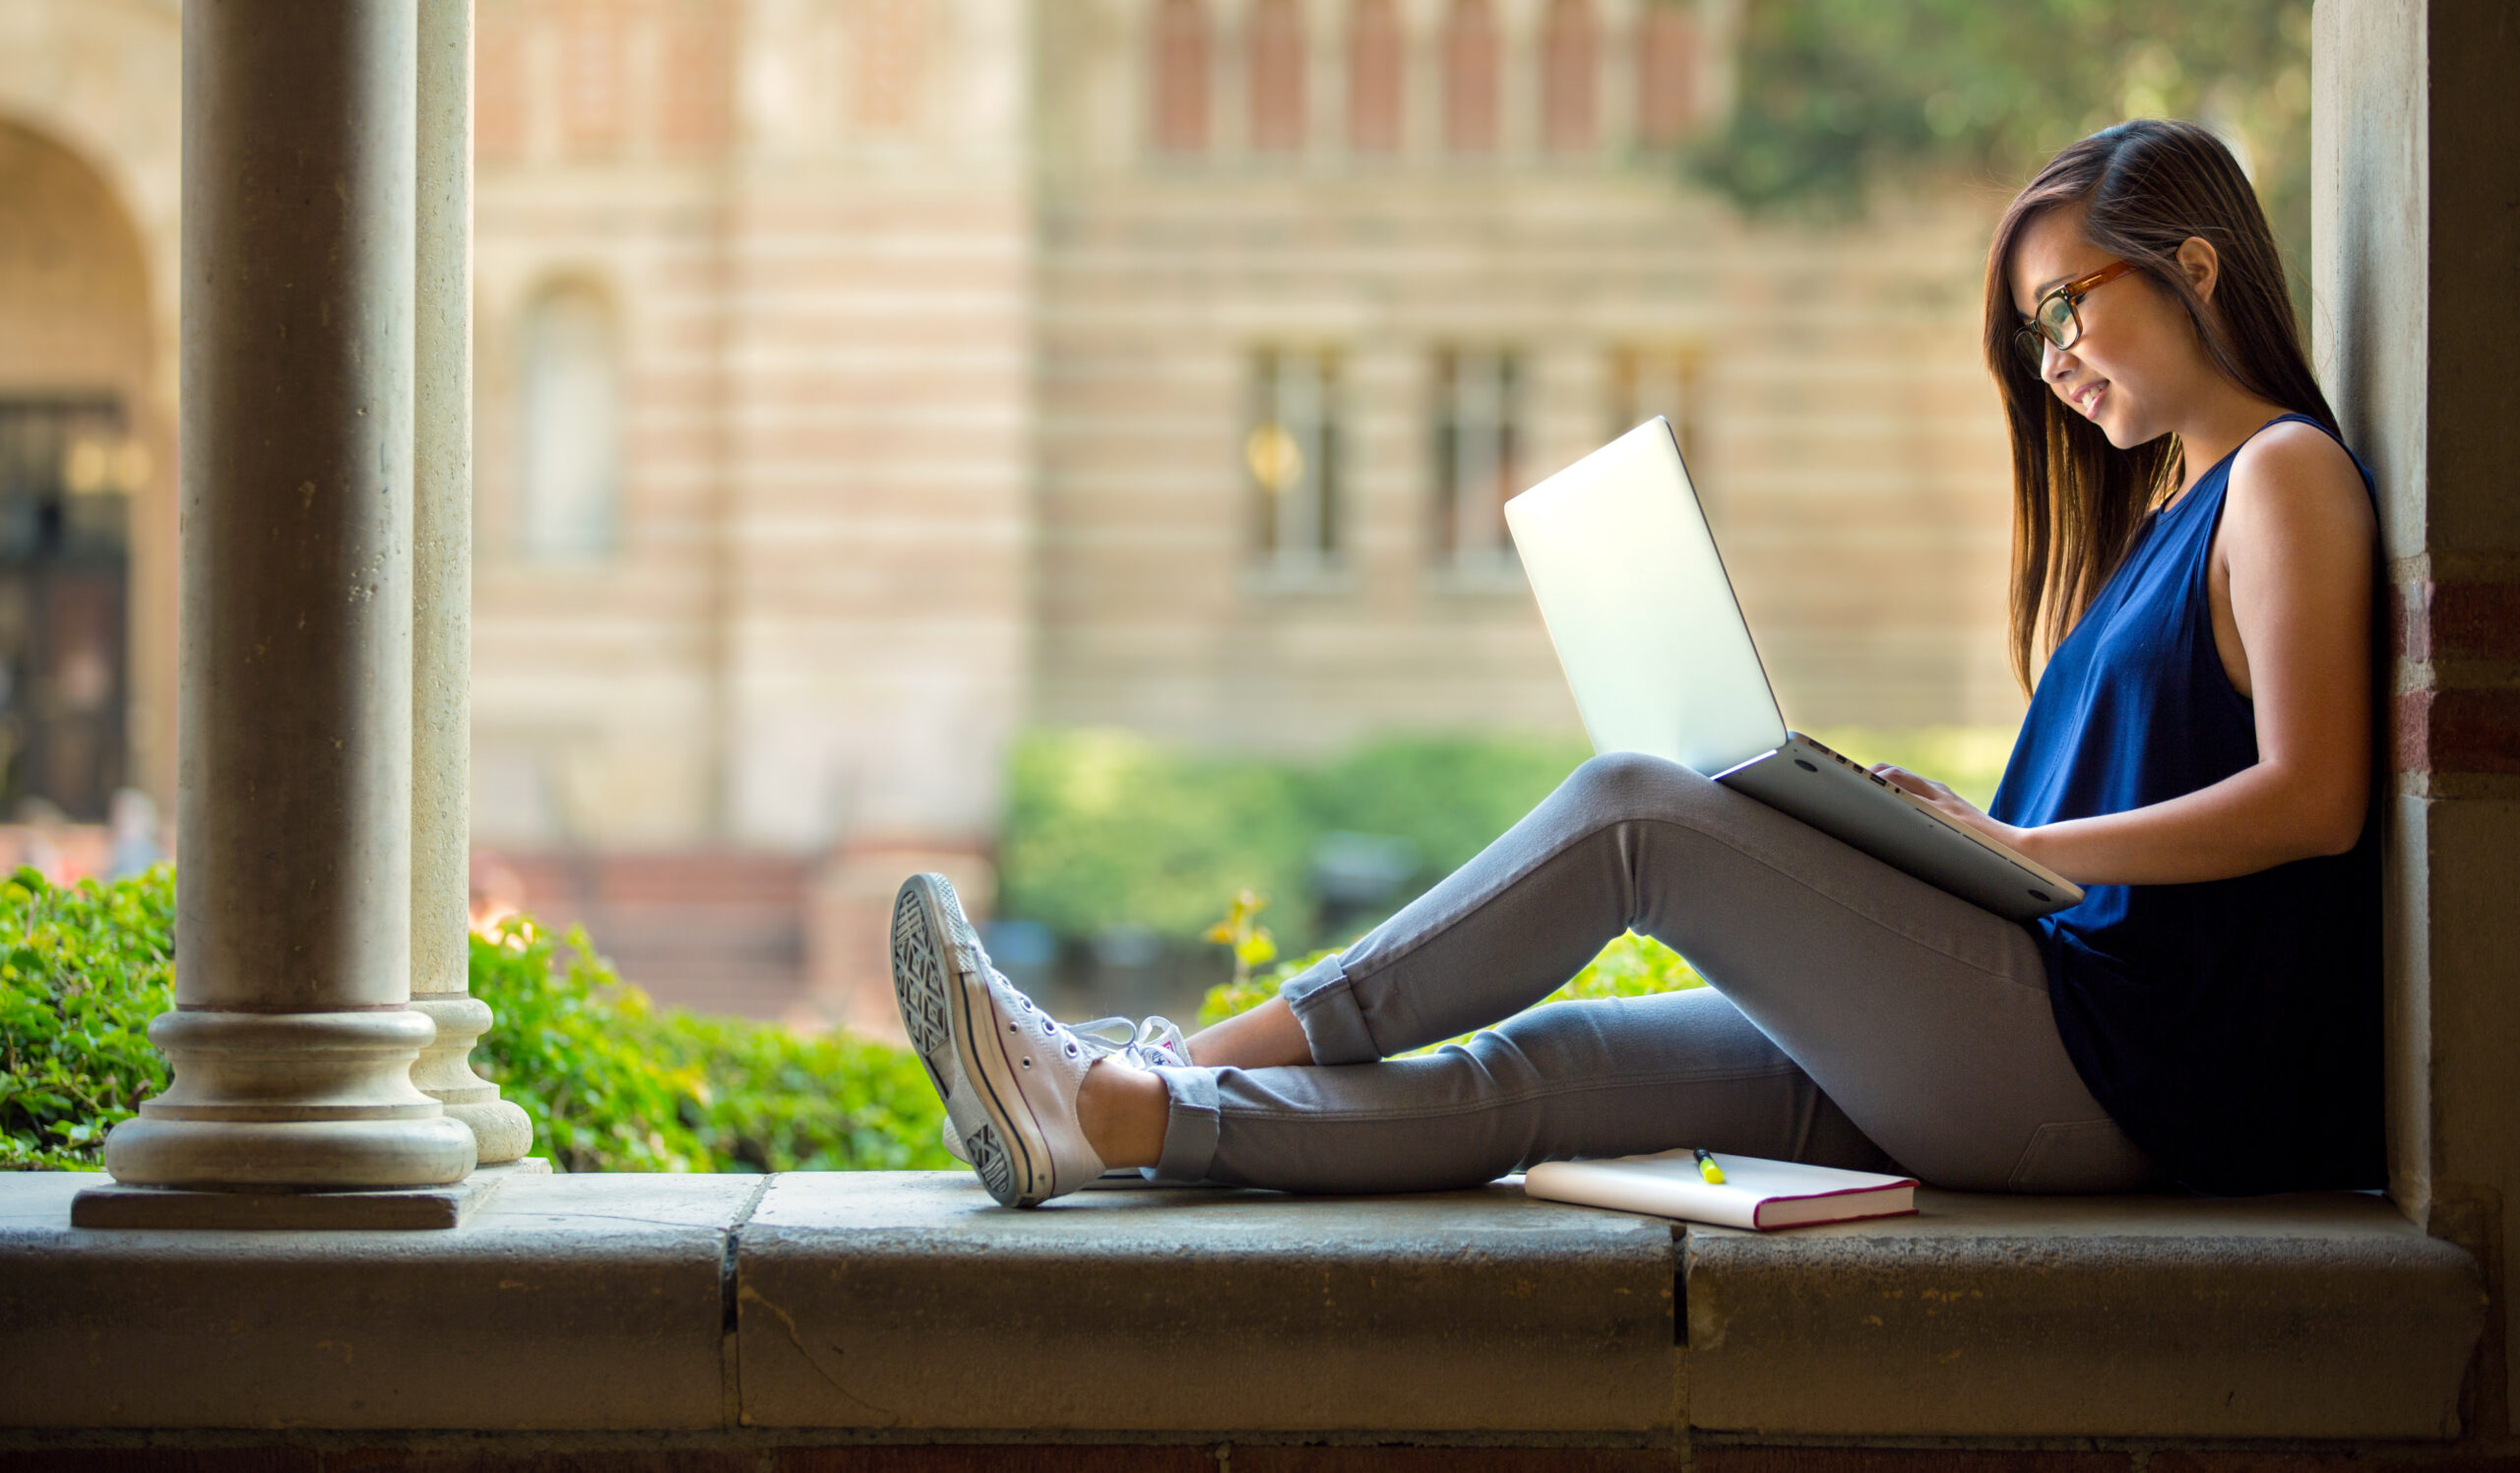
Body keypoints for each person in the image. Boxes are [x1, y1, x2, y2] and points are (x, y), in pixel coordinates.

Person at [890, 118, 2385, 1209]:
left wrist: (2017, 845)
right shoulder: (2172, 514)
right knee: (1548, 1074)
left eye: (2070, 305)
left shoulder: (2283, 476)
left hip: (2118, 1075)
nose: (2053, 354)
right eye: (2028, 329)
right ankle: (1113, 1116)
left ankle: (1169, 1052)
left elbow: (2314, 799)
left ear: (2193, 263)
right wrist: (1925, 844)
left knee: (1636, 812)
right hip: (2030, 1040)